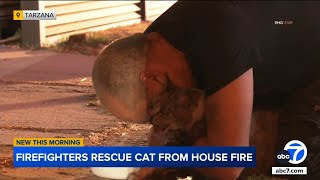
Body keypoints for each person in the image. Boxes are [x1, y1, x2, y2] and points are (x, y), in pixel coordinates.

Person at [92, 2, 320, 179]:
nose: (158, 125)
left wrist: (172, 152)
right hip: (273, 63)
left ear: (151, 79)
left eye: (152, 111)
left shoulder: (218, 31)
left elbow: (229, 163)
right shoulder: (153, 47)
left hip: (312, 68)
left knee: (296, 162)